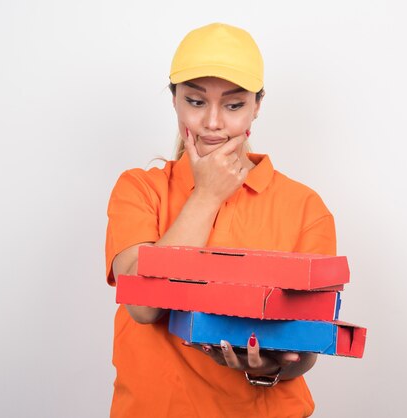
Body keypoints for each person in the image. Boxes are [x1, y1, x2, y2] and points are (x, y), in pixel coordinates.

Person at [105, 22, 337, 417]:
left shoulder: (305, 206)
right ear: (174, 100)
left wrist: (273, 368)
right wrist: (207, 196)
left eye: (233, 105)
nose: (213, 122)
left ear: (257, 106)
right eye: (195, 102)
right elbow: (143, 308)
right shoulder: (140, 189)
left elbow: (309, 346)